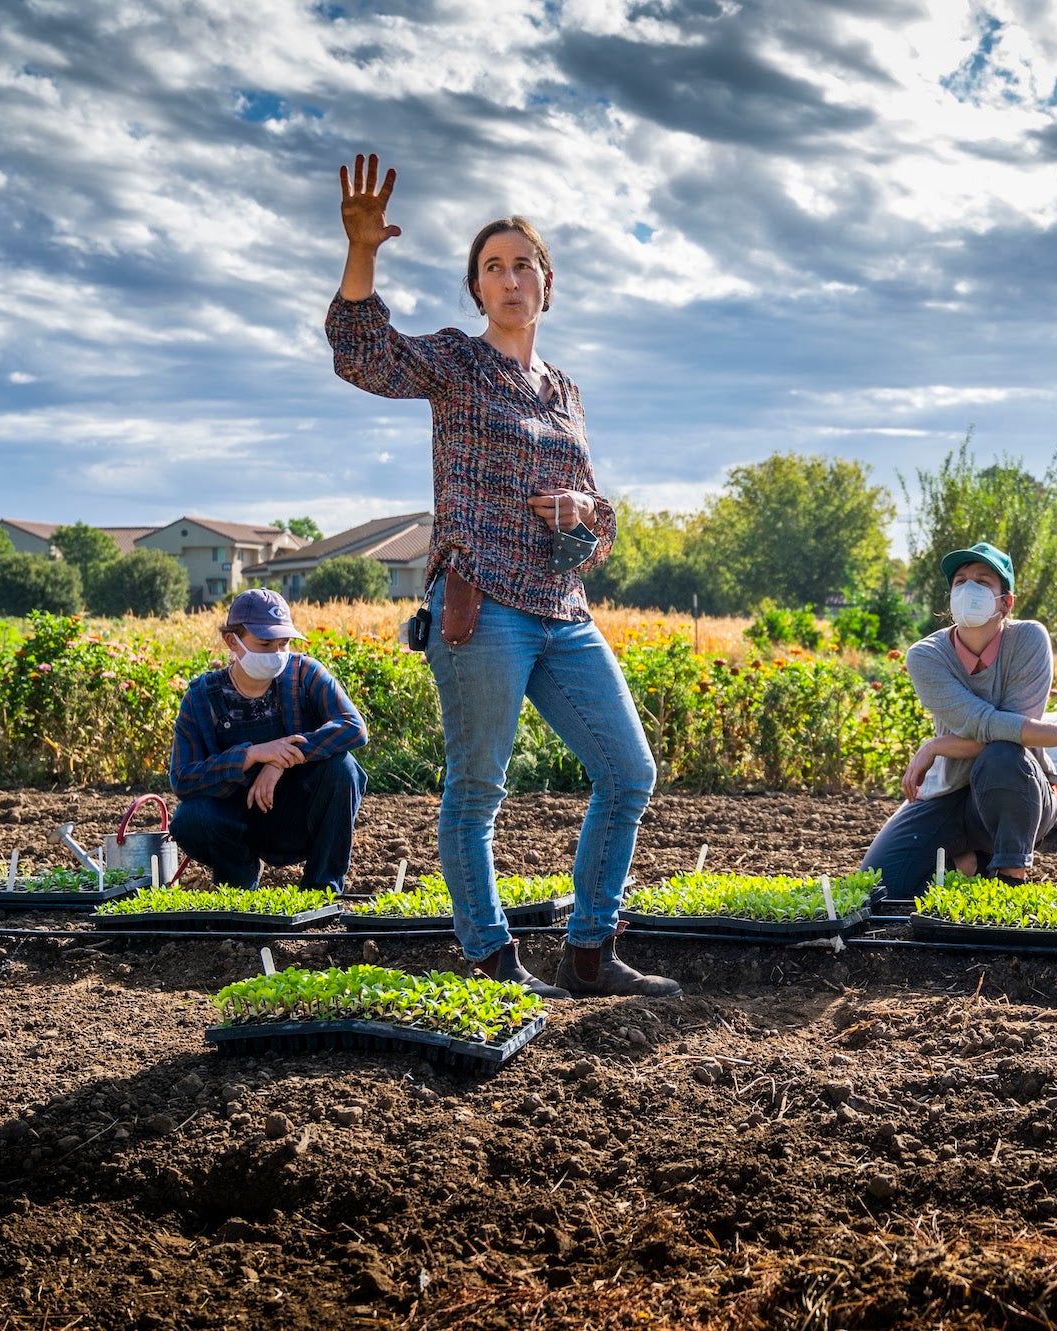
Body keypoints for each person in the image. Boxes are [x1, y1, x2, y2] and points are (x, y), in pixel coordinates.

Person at [323, 153, 677, 1000]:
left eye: (524, 264)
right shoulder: (455, 362)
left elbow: (601, 518)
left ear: (548, 283)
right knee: (477, 787)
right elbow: (363, 356)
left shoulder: (566, 391)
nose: (510, 278)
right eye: (493, 268)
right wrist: (363, 251)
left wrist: (581, 514)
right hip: (480, 602)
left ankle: (589, 952)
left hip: (563, 609)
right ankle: (490, 957)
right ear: (477, 292)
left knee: (629, 772)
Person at [859, 542, 1057, 897]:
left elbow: (1010, 736)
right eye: (960, 581)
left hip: (1018, 789)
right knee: (881, 886)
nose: (969, 589)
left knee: (1001, 755)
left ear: (1006, 601)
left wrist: (937, 745)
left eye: (983, 581)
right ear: (950, 596)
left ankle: (1011, 880)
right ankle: (972, 865)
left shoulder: (1028, 639)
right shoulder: (926, 656)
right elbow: (983, 723)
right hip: (949, 791)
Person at [170, 589, 369, 893]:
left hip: (294, 815)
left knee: (345, 769)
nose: (277, 652)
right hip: (234, 821)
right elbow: (183, 778)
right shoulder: (201, 697)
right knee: (192, 817)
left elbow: (354, 727)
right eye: (264, 644)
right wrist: (251, 755)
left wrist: (281, 759)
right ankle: (237, 885)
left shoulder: (305, 673)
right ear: (232, 642)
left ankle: (322, 888)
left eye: (284, 643)